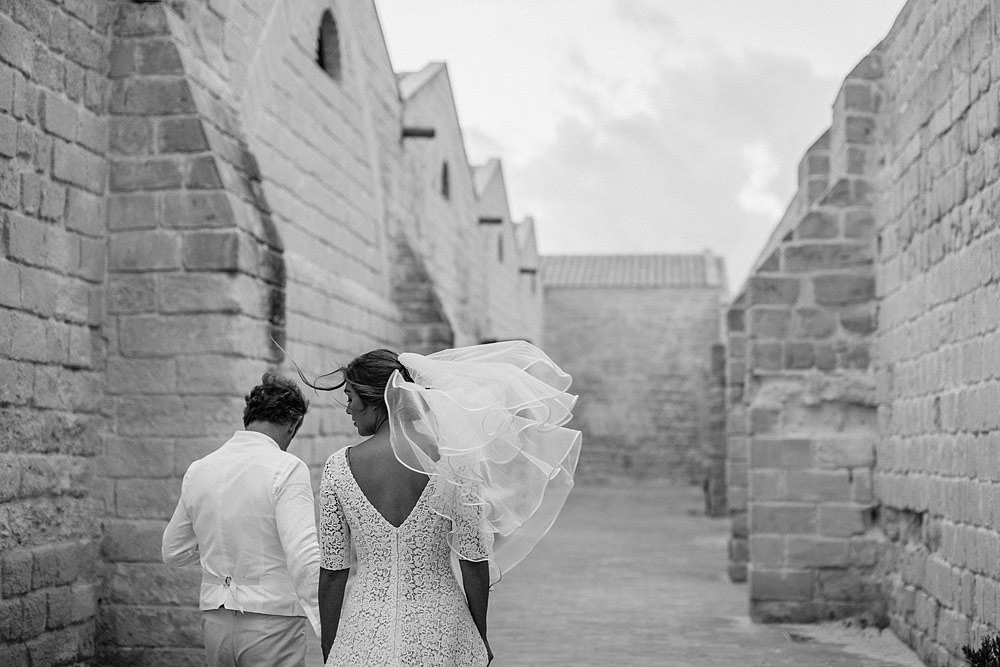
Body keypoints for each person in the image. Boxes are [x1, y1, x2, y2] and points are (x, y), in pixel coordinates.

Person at [313, 341, 582, 666]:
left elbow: (333, 571)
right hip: (441, 628)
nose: (347, 409)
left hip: (364, 628)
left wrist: (331, 649)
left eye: (350, 398)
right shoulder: (453, 462)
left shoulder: (338, 467)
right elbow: (473, 559)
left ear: (374, 402)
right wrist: (479, 635)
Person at [162, 372, 320, 667]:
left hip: (216, 621)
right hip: (272, 622)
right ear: (293, 425)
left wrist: (223, 552)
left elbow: (172, 552)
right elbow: (303, 557)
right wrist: (327, 627)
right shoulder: (287, 468)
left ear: (249, 416)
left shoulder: (200, 469)